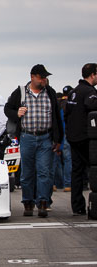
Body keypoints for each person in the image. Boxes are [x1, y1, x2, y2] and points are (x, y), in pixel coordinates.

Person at [5, 64, 63, 218]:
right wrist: (16, 112)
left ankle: (43, 202)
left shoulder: (49, 92)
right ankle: (28, 203)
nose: (44, 79)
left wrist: (58, 138)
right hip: (27, 137)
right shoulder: (20, 92)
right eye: (41, 77)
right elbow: (7, 109)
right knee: (27, 173)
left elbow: (56, 116)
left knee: (44, 172)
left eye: (45, 77)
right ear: (32, 77)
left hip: (45, 137)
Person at [65, 63, 97, 216]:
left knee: (76, 172)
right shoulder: (90, 92)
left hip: (72, 138)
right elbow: (91, 106)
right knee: (93, 169)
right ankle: (93, 204)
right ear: (92, 75)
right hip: (87, 139)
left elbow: (67, 113)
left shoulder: (73, 92)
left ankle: (77, 207)